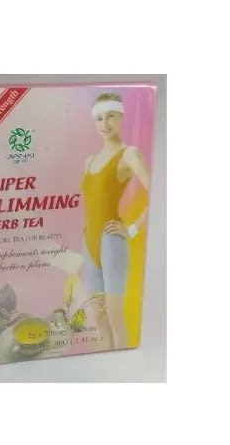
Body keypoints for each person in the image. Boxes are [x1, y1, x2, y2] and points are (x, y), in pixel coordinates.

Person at [81, 92, 150, 349]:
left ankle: (123, 364)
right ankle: (105, 364)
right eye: (99, 118)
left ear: (121, 117)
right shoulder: (89, 161)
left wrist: (131, 229)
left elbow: (158, 192)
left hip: (111, 242)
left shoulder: (129, 154)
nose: (104, 124)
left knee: (115, 317)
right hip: (89, 243)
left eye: (110, 116)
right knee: (97, 317)